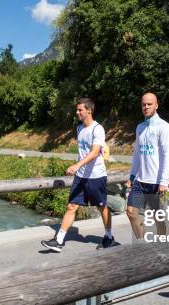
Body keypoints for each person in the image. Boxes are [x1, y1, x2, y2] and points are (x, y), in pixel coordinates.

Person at [41, 98, 116, 252]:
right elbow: (82, 152)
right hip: (81, 176)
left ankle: (109, 236)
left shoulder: (98, 129)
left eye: (80, 110)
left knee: (101, 207)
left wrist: (77, 165)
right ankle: (59, 240)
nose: (77, 112)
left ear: (89, 110)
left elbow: (95, 152)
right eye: (77, 110)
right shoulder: (79, 128)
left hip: (96, 176)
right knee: (71, 206)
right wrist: (78, 167)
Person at [125, 92, 169, 239]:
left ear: (156, 105)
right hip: (141, 180)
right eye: (143, 104)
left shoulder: (164, 127)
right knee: (131, 212)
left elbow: (167, 156)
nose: (146, 107)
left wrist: (164, 182)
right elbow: (138, 155)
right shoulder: (140, 127)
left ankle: (163, 244)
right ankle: (142, 245)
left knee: (157, 217)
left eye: (149, 104)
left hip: (157, 182)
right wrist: (132, 176)